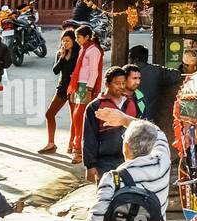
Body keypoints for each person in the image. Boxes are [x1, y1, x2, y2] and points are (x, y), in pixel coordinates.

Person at [84, 119, 168, 221]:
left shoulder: (114, 178)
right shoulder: (162, 163)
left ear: (126, 146)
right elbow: (160, 134)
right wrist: (124, 118)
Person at [82, 67, 139, 184]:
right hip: (105, 161)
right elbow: (89, 137)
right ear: (107, 84)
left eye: (123, 83)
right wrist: (90, 165)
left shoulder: (132, 102)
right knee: (107, 194)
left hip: (129, 159)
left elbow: (140, 128)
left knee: (127, 194)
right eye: (117, 83)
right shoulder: (95, 106)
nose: (121, 86)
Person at [67, 25, 105, 165]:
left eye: (78, 37)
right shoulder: (85, 49)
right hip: (80, 86)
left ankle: (79, 150)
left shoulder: (94, 50)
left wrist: (89, 90)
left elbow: (94, 72)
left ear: (87, 37)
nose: (76, 40)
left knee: (80, 117)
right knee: (77, 117)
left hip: (86, 87)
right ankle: (77, 146)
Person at [38, 29, 80, 155]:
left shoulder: (78, 53)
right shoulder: (60, 53)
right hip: (62, 88)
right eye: (63, 41)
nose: (65, 43)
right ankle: (51, 144)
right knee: (49, 114)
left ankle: (73, 145)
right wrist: (62, 57)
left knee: (75, 117)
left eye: (68, 41)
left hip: (75, 89)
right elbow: (55, 70)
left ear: (74, 41)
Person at [125, 45, 184, 128]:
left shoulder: (125, 72)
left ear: (135, 59)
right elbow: (176, 74)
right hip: (149, 120)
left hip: (128, 120)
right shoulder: (157, 71)